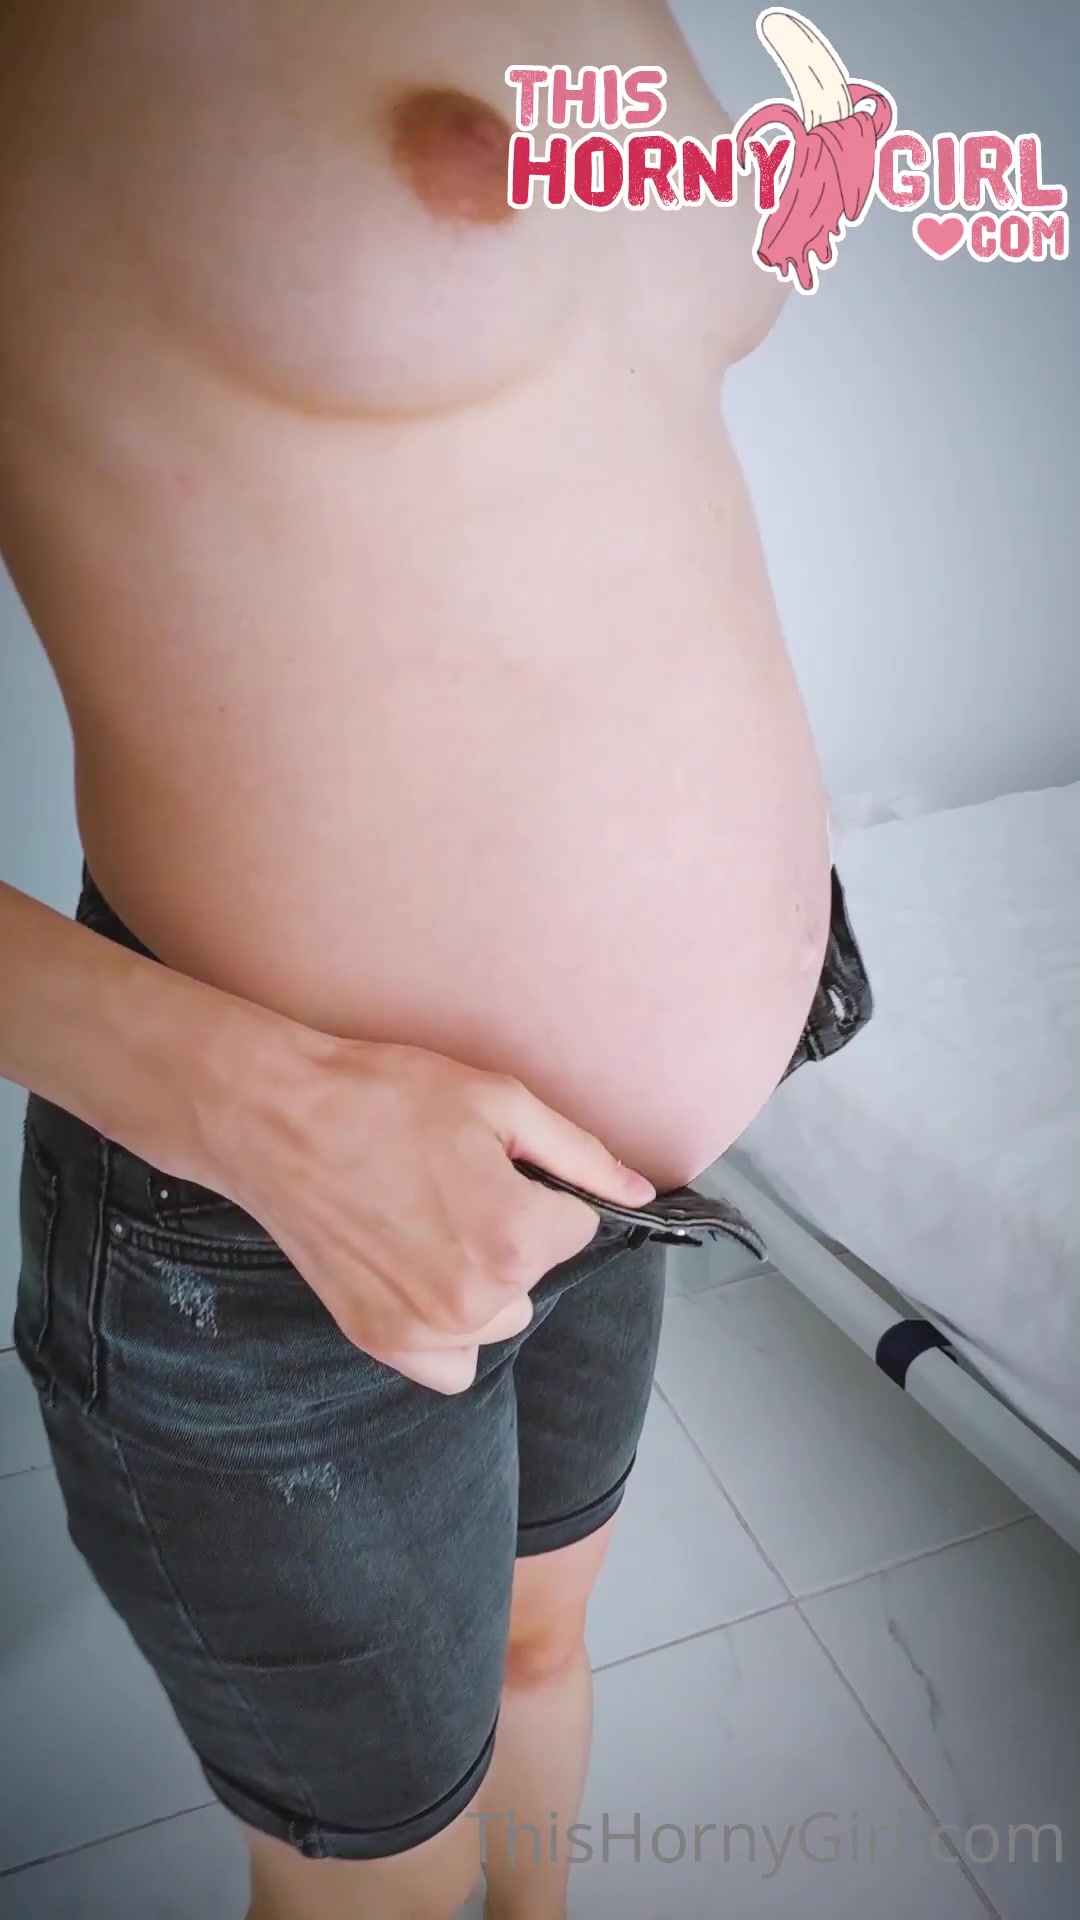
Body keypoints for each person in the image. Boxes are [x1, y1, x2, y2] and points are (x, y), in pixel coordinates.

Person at [0, 5, 870, 1917]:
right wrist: (270, 1115)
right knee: (376, 1883)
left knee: (544, 1656)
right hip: (282, 1213)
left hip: (617, 1188)